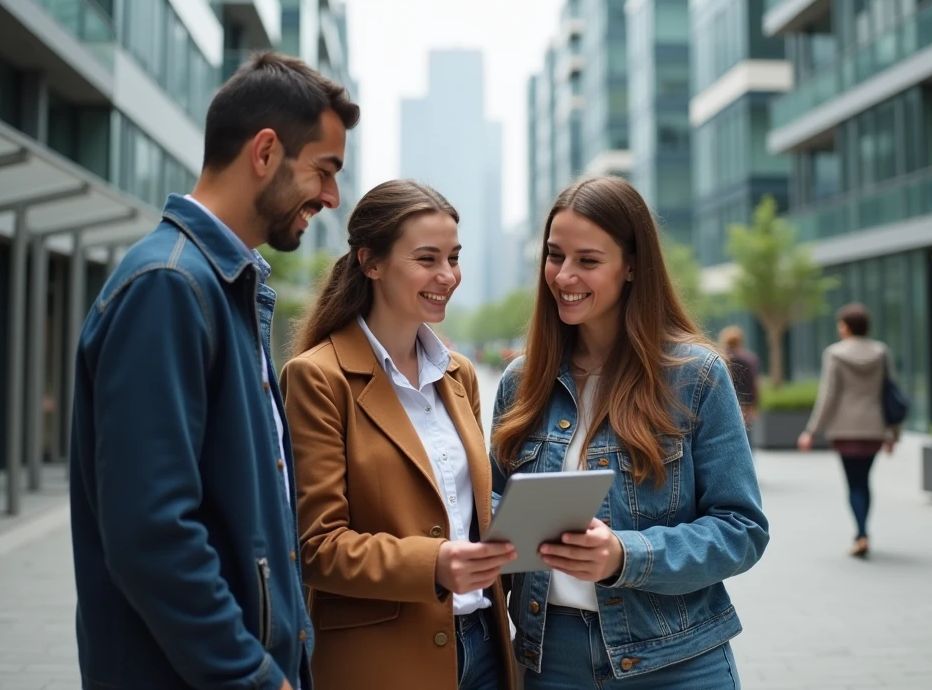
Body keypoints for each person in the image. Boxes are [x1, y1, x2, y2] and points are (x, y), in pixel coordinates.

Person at [68, 52, 359, 690]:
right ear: (264, 151)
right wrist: (252, 676)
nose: (332, 198)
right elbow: (153, 534)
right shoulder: (169, 287)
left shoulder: (221, 286)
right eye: (325, 170)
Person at [491, 176, 770, 689]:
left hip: (677, 662)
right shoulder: (522, 381)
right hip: (550, 661)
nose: (564, 275)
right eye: (555, 256)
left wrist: (625, 554)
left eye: (588, 260)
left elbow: (742, 529)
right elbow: (493, 502)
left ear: (632, 266)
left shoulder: (697, 375)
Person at [279, 180, 516, 690]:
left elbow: (465, 508)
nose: (447, 275)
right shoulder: (319, 377)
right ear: (371, 262)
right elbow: (317, 546)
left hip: (483, 646)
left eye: (453, 257)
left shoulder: (459, 375)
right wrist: (435, 563)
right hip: (382, 661)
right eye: (427, 258)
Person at [797, 302, 900, 557]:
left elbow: (828, 396)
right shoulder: (881, 352)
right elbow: (892, 393)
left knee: (853, 483)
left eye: (840, 324)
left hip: (845, 429)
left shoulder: (834, 353)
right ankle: (863, 532)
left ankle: (861, 533)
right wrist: (893, 432)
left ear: (847, 327)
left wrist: (811, 431)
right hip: (874, 427)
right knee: (864, 481)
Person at [719, 325, 760, 423]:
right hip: (746, 405)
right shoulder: (750, 359)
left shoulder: (721, 360)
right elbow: (754, 384)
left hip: (726, 404)